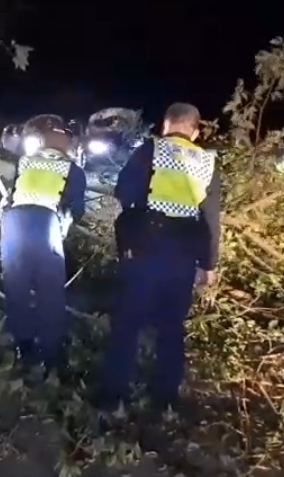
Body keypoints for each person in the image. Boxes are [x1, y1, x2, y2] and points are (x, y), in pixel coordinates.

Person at [99, 102, 221, 411]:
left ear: (166, 126)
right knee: (172, 326)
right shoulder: (207, 161)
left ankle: (114, 398)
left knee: (128, 321)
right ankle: (165, 400)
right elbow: (211, 220)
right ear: (194, 131)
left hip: (145, 248)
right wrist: (209, 265)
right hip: (183, 253)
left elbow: (124, 191)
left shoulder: (150, 150)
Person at [0, 118, 87, 374]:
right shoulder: (74, 170)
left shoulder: (26, 161)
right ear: (67, 146)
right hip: (45, 223)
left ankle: (23, 346)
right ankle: (51, 352)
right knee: (50, 290)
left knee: (17, 286)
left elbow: (15, 188)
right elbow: (78, 210)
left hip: (13, 222)